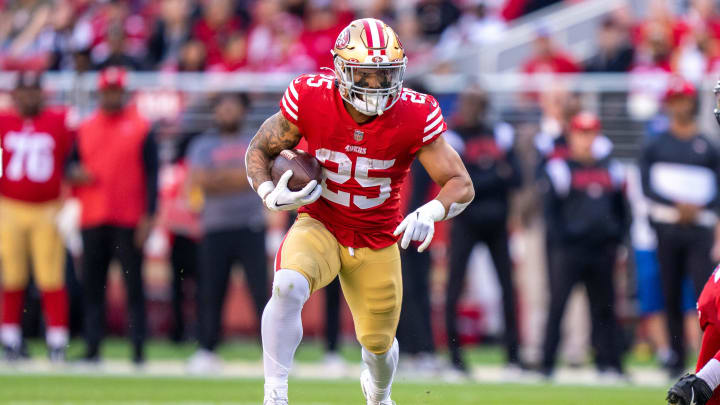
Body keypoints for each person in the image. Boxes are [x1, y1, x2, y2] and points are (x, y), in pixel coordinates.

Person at [244, 18, 474, 405]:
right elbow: (259, 150)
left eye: (385, 74)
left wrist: (430, 212)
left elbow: (461, 183)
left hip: (378, 237)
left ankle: (380, 395)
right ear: (341, 69)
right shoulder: (311, 96)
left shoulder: (415, 113)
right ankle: (275, 395)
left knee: (379, 347)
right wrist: (269, 193)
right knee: (287, 287)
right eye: (365, 74)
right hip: (321, 222)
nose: (376, 84)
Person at [69, 67, 158, 365]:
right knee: (93, 285)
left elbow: (152, 175)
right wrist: (75, 173)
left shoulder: (141, 127)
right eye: (107, 91)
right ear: (100, 93)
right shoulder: (84, 127)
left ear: (124, 92)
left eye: (116, 91)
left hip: (129, 218)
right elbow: (68, 166)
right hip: (93, 217)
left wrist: (149, 216)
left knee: (134, 287)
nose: (111, 96)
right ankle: (93, 347)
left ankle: (138, 350)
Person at [640, 77, 720, 378]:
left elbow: (717, 185)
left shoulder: (706, 145)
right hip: (668, 225)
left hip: (699, 227)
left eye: (683, 100)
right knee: (669, 290)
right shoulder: (656, 143)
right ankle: (674, 356)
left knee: (706, 295)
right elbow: (646, 184)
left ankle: (709, 362)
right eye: (674, 100)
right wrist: (677, 204)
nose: (679, 106)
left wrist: (700, 207)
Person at [540, 112, 629, 379]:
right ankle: (546, 364)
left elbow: (622, 211)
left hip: (602, 249)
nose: (586, 139)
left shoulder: (611, 169)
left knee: (605, 306)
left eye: (590, 133)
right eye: (581, 133)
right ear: (572, 136)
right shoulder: (560, 168)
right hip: (569, 250)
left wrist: (617, 239)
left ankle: (609, 364)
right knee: (558, 305)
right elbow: (550, 213)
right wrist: (562, 243)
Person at [186, 93, 268, 374]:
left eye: (232, 106)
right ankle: (207, 350)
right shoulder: (202, 144)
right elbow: (199, 181)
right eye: (222, 106)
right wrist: (240, 176)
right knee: (210, 291)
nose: (227, 111)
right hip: (215, 226)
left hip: (251, 226)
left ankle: (270, 352)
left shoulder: (255, 141)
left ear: (243, 111)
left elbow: (259, 176)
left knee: (260, 292)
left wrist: (221, 177)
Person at [444, 85, 522, 375]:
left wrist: (484, 176)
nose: (471, 107)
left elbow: (516, 177)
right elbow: (462, 181)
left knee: (507, 288)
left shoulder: (500, 133)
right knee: (454, 288)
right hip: (465, 221)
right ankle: (455, 358)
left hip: (497, 223)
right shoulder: (454, 136)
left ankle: (513, 356)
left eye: (477, 102)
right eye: (468, 101)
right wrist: (493, 173)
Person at [0, 71, 74, 362]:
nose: (29, 96)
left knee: (51, 275)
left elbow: (70, 161)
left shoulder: (58, 122)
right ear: (15, 94)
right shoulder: (3, 122)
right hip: (9, 206)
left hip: (48, 208)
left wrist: (70, 199)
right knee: (12, 275)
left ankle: (57, 340)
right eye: (25, 90)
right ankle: (9, 338)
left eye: (34, 90)